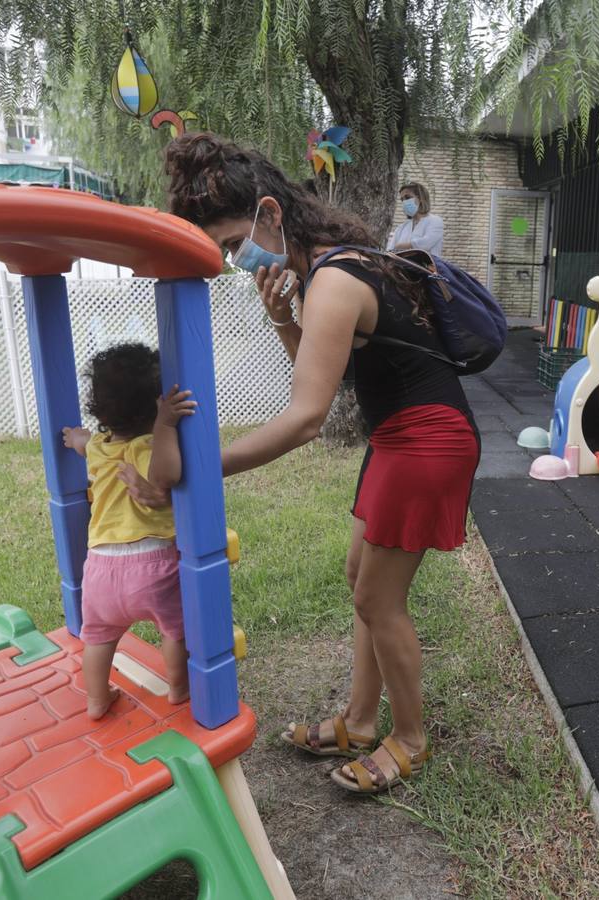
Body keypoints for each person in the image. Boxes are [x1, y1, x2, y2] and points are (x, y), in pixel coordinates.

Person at [118, 133, 480, 794]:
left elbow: (307, 418)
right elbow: (323, 382)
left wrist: (199, 471)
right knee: (358, 579)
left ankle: (410, 738)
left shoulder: (337, 278)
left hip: (428, 439)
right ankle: (361, 720)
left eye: (231, 243)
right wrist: (283, 316)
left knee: (378, 596)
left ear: (269, 213)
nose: (233, 259)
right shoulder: (322, 272)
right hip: (398, 437)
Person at [61, 343, 198, 719]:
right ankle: (179, 688)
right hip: (153, 562)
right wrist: (165, 424)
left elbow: (83, 443)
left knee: (98, 637)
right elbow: (166, 474)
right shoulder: (148, 445)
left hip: (101, 567)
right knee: (174, 629)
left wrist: (74, 436)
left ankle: (96, 699)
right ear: (154, 404)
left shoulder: (100, 447)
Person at [386, 181, 444, 257]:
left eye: (407, 197)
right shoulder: (402, 227)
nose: (404, 202)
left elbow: (425, 244)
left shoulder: (435, 221)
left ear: (421, 198)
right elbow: (390, 251)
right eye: (402, 199)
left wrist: (399, 246)